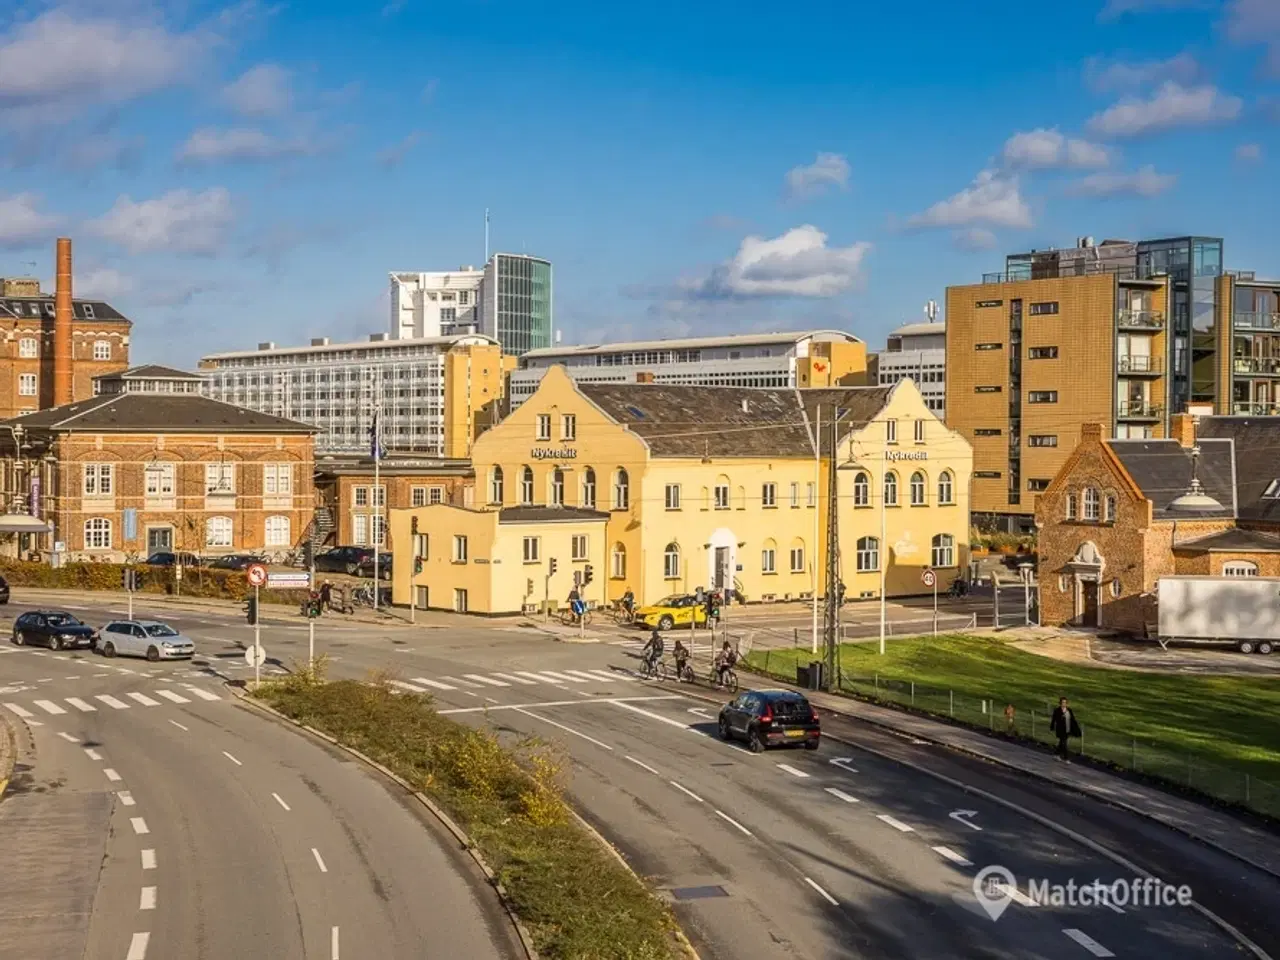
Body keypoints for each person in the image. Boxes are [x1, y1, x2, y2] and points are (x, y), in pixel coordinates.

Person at [1049, 696, 1082, 762]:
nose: (1064, 704)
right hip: (1061, 730)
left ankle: (1056, 754)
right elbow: (1054, 719)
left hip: (1067, 729)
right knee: (1064, 743)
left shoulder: (1069, 710)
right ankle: (1066, 758)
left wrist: (1076, 729)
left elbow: (1072, 720)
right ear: (1060, 703)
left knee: (1062, 743)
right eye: (1062, 702)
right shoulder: (1057, 710)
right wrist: (1052, 727)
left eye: (1065, 703)